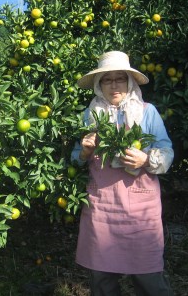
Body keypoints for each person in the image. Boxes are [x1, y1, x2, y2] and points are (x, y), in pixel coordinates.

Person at [71, 51, 174, 296]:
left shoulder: (147, 112)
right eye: (108, 79)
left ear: (130, 82)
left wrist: (146, 159)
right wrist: (84, 152)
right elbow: (75, 158)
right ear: (99, 84)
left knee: (148, 277)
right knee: (102, 278)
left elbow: (166, 151)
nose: (114, 85)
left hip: (140, 209)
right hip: (102, 207)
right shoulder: (90, 115)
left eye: (120, 78)